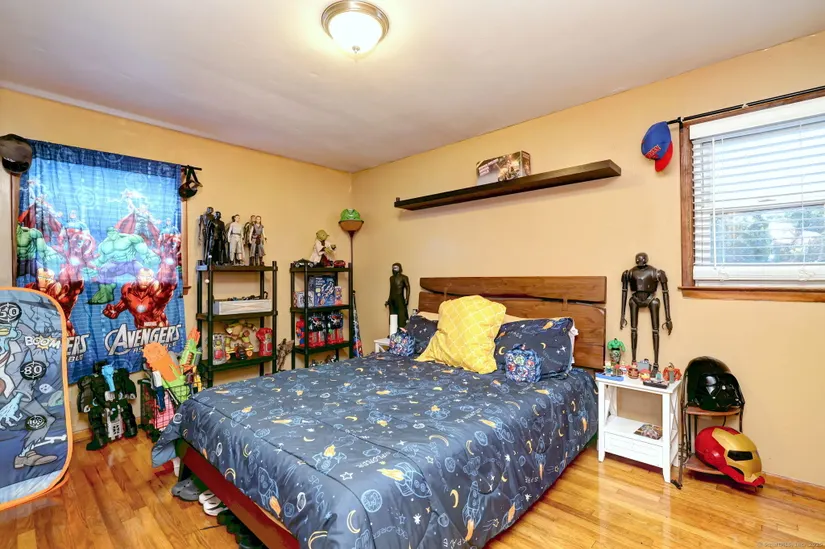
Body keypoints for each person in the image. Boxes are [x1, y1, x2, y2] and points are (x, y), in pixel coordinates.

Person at [385, 263, 410, 328]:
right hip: (392, 299)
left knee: (402, 317)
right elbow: (391, 290)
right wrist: (388, 300)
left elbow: (408, 288)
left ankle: (401, 331)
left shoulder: (404, 277)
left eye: (396, 268)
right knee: (392, 317)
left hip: (400, 298)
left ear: (400, 268)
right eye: (393, 268)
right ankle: (393, 331)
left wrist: (407, 298)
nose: (394, 269)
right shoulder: (391, 278)